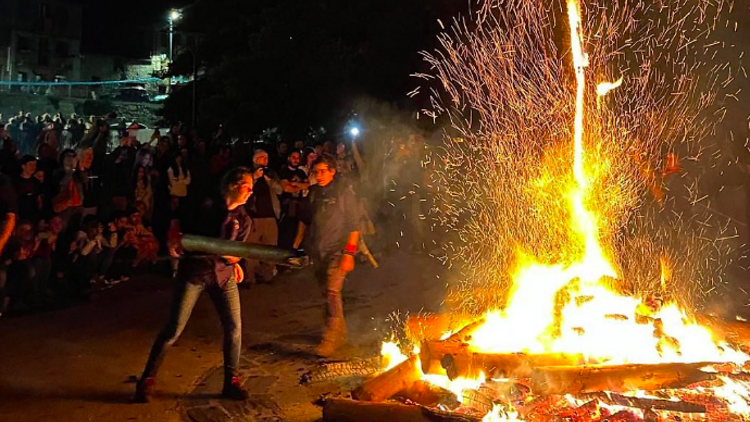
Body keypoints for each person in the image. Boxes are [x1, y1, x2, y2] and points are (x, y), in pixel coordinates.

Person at [135, 167, 255, 403]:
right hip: (195, 273)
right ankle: (147, 380)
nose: (251, 191)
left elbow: (237, 253)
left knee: (234, 328)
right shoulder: (204, 206)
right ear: (233, 185)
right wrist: (173, 240)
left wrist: (234, 259)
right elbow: (178, 225)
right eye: (247, 186)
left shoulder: (243, 219)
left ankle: (231, 380)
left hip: (223, 275)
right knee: (173, 329)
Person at [296, 155, 361, 357]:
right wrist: (296, 246)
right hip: (318, 250)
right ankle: (340, 332)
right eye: (315, 172)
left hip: (338, 250)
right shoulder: (314, 193)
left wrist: (349, 253)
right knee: (327, 293)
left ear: (332, 171)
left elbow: (354, 225)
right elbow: (305, 221)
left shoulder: (343, 192)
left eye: (323, 171)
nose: (319, 175)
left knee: (332, 291)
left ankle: (331, 338)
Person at [244, 150, 281, 284]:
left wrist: (268, 180)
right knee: (251, 248)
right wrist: (254, 177)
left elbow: (279, 190)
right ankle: (250, 277)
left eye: (266, 157)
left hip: (270, 215)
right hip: (253, 216)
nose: (264, 160)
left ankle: (267, 275)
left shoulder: (271, 173)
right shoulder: (246, 172)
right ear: (254, 159)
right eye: (260, 157)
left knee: (270, 247)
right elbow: (242, 188)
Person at [278, 151, 309, 249]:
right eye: (293, 157)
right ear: (288, 158)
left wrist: (295, 185)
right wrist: (300, 186)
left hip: (300, 206)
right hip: (287, 208)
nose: (295, 160)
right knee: (287, 232)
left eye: (298, 157)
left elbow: (308, 185)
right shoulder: (283, 171)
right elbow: (286, 188)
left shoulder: (301, 172)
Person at [13, 155, 43, 224]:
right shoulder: (14, 181)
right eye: (30, 165)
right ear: (23, 166)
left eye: (35, 165)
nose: (33, 167)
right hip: (18, 216)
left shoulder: (36, 182)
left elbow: (39, 200)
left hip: (33, 216)